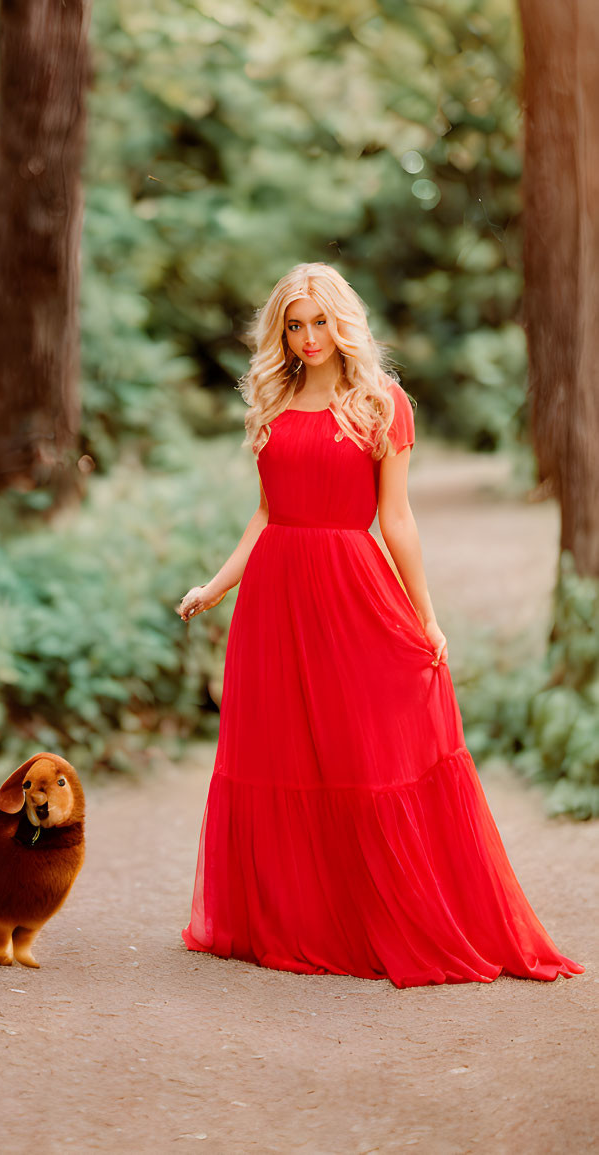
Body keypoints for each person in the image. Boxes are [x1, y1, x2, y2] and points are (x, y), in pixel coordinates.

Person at [176, 262, 582, 988]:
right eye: (294, 325)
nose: (308, 337)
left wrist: (426, 615)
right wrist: (214, 586)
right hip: (274, 597)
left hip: (350, 590)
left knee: (365, 749)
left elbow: (396, 517)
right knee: (284, 754)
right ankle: (297, 918)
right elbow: (266, 516)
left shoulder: (381, 404)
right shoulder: (273, 403)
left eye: (320, 322)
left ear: (344, 322)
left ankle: (381, 915)